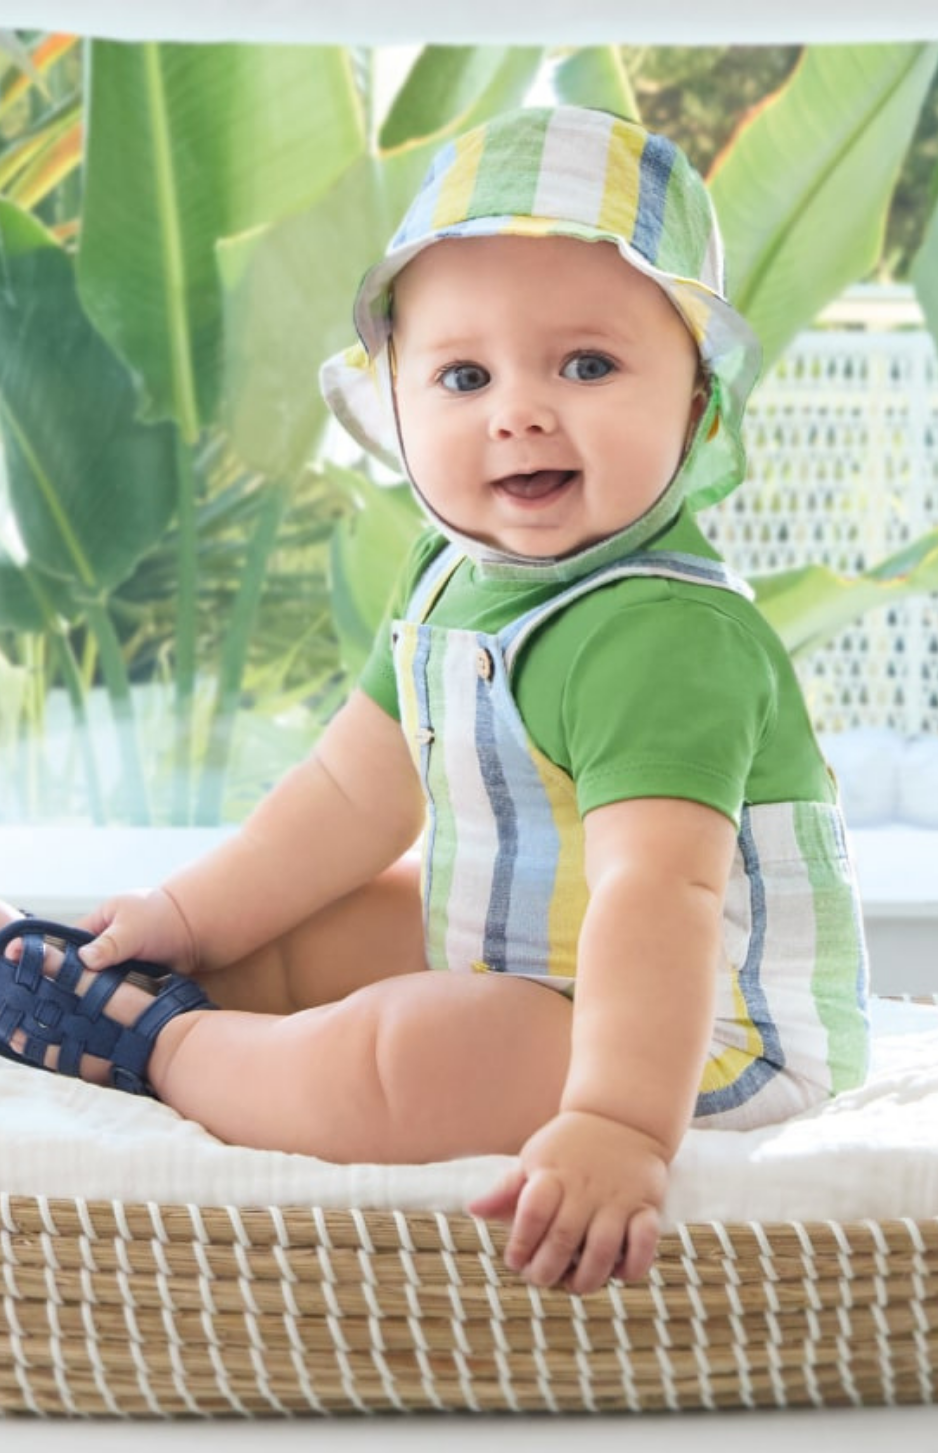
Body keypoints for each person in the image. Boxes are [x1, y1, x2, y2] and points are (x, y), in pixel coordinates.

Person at [0, 105, 869, 1296]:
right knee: (309, 930)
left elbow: (655, 897)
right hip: (518, 945)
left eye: (587, 365)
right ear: (396, 402)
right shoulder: (450, 574)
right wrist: (190, 914)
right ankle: (143, 972)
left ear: (695, 403)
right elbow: (350, 789)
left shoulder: (665, 636)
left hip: (689, 1033)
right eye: (463, 375)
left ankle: (169, 1042)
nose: (518, 411)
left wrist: (616, 1123)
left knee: (407, 1055)